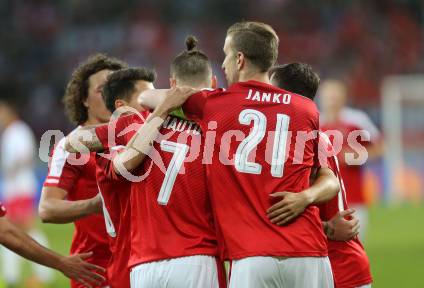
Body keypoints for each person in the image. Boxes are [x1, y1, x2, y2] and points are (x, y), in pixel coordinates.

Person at [134, 22, 340, 288]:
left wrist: (185, 97)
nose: (223, 63)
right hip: (308, 253)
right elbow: (327, 177)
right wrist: (306, 197)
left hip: (252, 257)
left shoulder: (216, 104)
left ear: (240, 59)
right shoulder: (307, 109)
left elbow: (146, 98)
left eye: (226, 54)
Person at [67, 36, 223, 288]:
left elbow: (73, 142)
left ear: (171, 86)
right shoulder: (218, 127)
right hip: (193, 256)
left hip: (140, 265)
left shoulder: (130, 127)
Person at [270, 63, 372, 288]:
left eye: (271, 90)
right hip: (328, 262)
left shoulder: (304, 141)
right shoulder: (314, 132)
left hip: (336, 267)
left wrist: (325, 227)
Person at [39, 53, 127, 288]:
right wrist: (94, 205)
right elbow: (47, 209)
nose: (111, 95)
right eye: (101, 90)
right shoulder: (71, 145)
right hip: (97, 271)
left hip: (140, 263)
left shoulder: (137, 138)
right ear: (84, 100)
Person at [0, 176, 106, 288]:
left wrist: (61, 263)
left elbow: (5, 233)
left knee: (27, 226)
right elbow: (5, 233)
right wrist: (61, 263)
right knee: (22, 227)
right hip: (11, 184)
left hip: (20, 184)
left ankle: (36, 275)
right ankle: (12, 275)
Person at [95, 67, 155, 288]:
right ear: (122, 108)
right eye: (145, 99)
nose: (154, 106)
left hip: (155, 264)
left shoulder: (153, 141)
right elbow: (127, 163)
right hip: (128, 268)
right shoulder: (108, 151)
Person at [0, 100, 52, 287]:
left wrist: (11, 170)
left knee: (21, 231)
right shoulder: (11, 132)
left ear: (9, 113)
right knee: (12, 231)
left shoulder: (18, 131)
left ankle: (42, 275)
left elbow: (25, 156)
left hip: (20, 188)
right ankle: (15, 275)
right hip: (13, 190)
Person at [319, 79, 383, 242]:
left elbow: (380, 148)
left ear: (344, 96)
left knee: (355, 249)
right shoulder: (315, 121)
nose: (332, 98)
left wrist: (358, 155)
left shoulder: (357, 120)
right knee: (325, 254)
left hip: (354, 198)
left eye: (336, 94)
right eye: (329, 94)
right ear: (321, 97)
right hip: (322, 200)